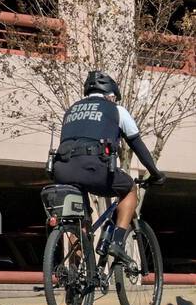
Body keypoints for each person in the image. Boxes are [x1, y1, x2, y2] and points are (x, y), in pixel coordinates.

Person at [51, 70, 164, 262]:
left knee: (81, 223)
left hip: (62, 171)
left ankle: (74, 282)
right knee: (129, 189)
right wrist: (156, 173)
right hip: (93, 168)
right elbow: (138, 146)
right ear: (110, 94)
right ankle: (117, 243)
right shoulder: (116, 110)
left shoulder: (71, 110)